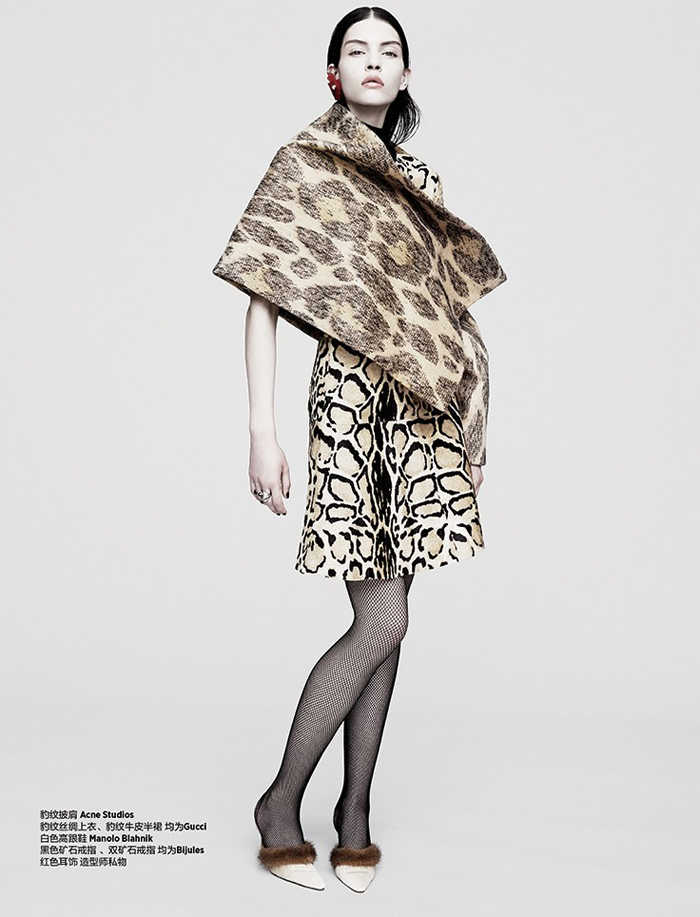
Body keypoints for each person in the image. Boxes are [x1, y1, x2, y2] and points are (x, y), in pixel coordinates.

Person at [212, 6, 507, 893]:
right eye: (356, 50)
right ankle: (279, 805)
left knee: (393, 619)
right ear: (333, 74)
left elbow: (450, 319)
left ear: (406, 75)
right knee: (384, 619)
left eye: (390, 51)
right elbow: (263, 293)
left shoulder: (420, 180)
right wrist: (261, 428)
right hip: (349, 404)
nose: (374, 62)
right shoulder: (305, 162)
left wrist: (472, 425)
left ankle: (355, 814)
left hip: (421, 413)